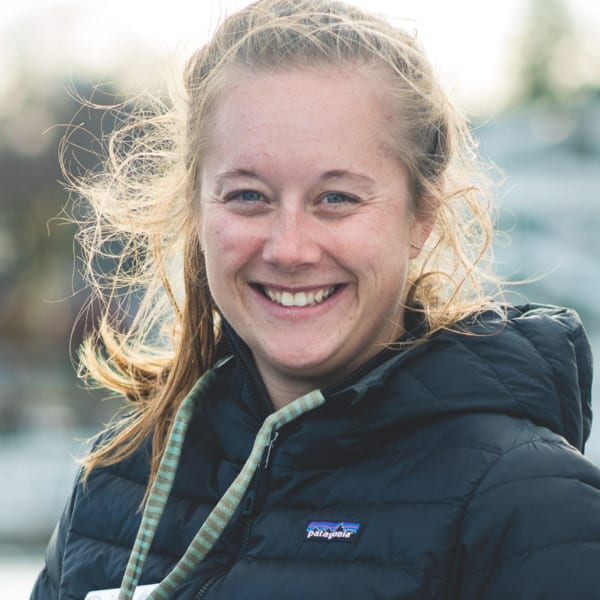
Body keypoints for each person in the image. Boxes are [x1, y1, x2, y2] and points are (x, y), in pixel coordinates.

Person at [31, 1, 600, 598]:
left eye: (336, 199)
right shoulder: (116, 485)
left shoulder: (530, 508)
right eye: (249, 196)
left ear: (420, 215)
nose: (290, 248)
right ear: (196, 210)